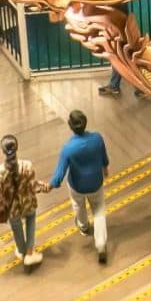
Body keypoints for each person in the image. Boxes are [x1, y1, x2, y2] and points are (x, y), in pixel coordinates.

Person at [49, 110, 111, 265]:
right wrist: (105, 168)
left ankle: (83, 226)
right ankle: (101, 244)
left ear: (71, 127)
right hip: (96, 182)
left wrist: (50, 185)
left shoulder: (68, 148)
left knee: (78, 205)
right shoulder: (97, 138)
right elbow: (104, 157)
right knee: (99, 210)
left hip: (77, 185)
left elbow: (59, 174)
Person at [0, 135, 43, 270]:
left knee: (16, 227)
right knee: (31, 219)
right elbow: (34, 186)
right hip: (27, 203)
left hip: (12, 208)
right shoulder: (27, 165)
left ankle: (22, 251)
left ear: (3, 151)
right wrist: (46, 187)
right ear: (17, 148)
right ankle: (30, 253)